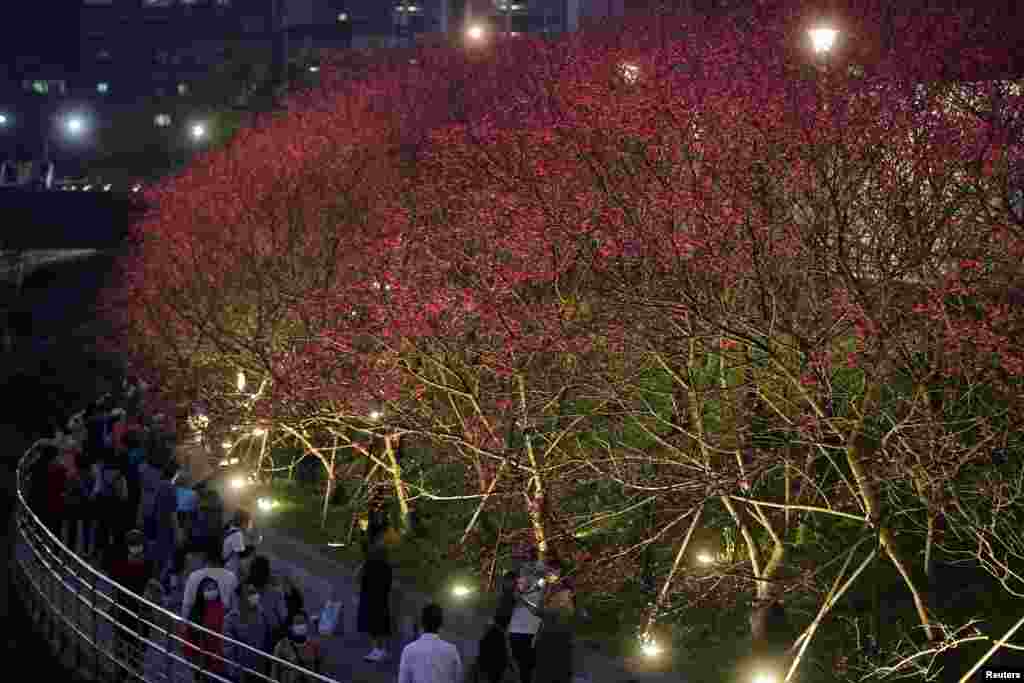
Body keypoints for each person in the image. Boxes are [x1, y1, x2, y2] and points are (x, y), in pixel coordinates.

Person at [105, 529, 155, 666]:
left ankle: (132, 670)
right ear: (127, 546)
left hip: (139, 611)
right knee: (122, 647)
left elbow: (152, 586)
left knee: (137, 650)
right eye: (133, 544)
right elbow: (115, 586)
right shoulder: (120, 564)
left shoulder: (148, 564)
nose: (136, 547)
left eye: (138, 544)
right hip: (124, 609)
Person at [522, 560, 576, 683]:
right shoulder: (549, 590)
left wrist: (526, 602)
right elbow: (541, 611)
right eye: (548, 572)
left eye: (551, 572)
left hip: (557, 639)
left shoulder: (565, 593)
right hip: (547, 637)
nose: (548, 575)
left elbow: (544, 612)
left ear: (559, 573)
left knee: (553, 672)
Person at [507, 549, 549, 683]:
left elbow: (540, 608)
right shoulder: (521, 578)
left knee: (528, 668)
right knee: (520, 666)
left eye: (531, 561)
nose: (528, 566)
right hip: (516, 629)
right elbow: (515, 596)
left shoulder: (541, 582)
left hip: (533, 630)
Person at [398, 603, 463, 683]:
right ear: (441, 624)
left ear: (421, 623)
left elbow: (403, 680)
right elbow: (458, 679)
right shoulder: (452, 650)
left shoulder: (409, 650)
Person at [225, 583, 272, 683]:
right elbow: (228, 649)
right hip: (242, 671)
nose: (255, 595)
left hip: (260, 668)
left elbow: (267, 639)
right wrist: (234, 672)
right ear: (241, 597)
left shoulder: (261, 613)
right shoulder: (231, 619)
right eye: (251, 593)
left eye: (255, 592)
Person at [476, 571, 518, 683]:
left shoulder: (513, 598)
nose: (509, 584)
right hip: (495, 633)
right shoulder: (501, 596)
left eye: (511, 582)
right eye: (508, 581)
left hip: (501, 633)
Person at [184, 576, 228, 682]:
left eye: (214, 588)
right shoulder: (196, 609)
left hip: (218, 655)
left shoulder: (221, 607)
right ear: (201, 591)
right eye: (208, 589)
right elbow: (191, 631)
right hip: (200, 656)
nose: (212, 591)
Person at [182, 541, 239, 621]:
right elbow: (235, 609)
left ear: (205, 556)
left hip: (199, 626)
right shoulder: (231, 577)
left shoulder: (194, 576)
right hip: (223, 626)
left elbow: (186, 608)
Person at [357, 538, 393, 662]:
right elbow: (388, 584)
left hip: (370, 598)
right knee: (380, 626)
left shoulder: (369, 564)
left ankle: (377, 650)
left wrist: (363, 564)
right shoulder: (387, 567)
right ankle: (380, 650)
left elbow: (357, 576)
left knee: (374, 626)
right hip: (381, 598)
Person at [271, 610, 322, 683]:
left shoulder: (314, 645)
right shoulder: (282, 645)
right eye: (297, 623)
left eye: (303, 623)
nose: (301, 626)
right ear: (291, 626)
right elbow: (274, 672)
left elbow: (319, 670)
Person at [247, 556, 288, 645]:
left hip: (247, 637)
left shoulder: (242, 590)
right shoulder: (276, 593)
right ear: (267, 574)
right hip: (269, 638)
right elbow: (283, 616)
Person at [223, 510, 254, 580]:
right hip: (230, 571)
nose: (250, 525)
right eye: (249, 522)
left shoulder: (230, 530)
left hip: (226, 569)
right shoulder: (237, 534)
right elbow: (241, 555)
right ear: (243, 522)